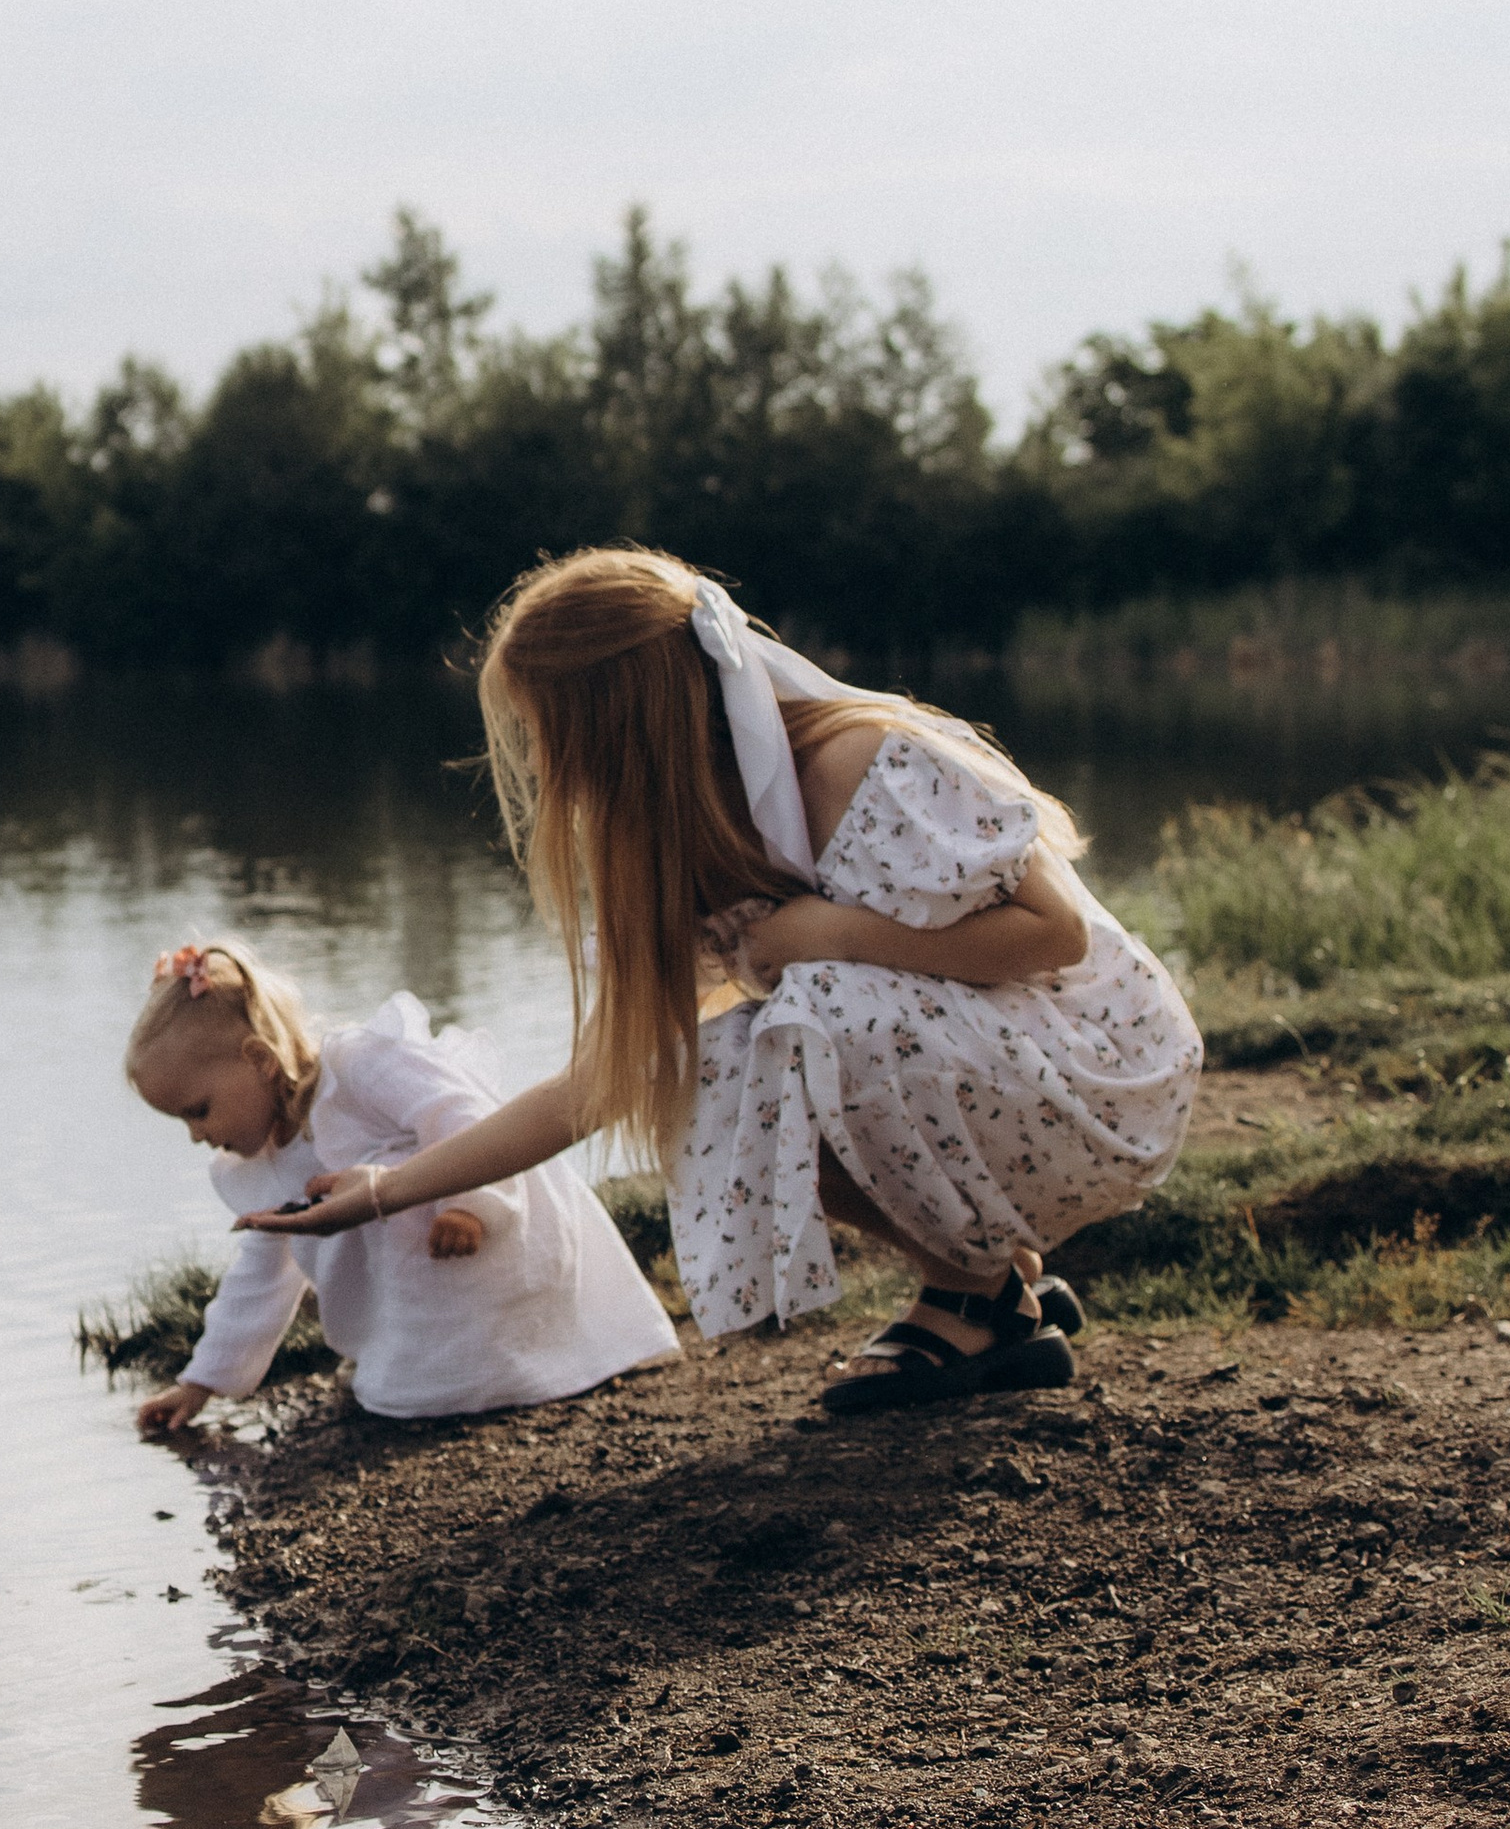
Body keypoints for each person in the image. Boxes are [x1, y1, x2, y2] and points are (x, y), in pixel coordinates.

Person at [244, 551, 1200, 1417]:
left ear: (619, 720)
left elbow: (1055, 934)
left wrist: (826, 931)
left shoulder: (861, 760)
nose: (548, 768)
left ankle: (976, 1300)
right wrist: (385, 1190)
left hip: (1102, 1073)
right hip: (998, 1081)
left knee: (800, 1016)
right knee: (706, 1068)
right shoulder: (692, 846)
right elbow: (603, 1082)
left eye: (551, 736)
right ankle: (985, 1281)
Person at [124, 937, 679, 1434]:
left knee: (410, 1200)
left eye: (199, 1110)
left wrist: (468, 1204)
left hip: (486, 1235)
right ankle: (439, 1383)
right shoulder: (269, 1162)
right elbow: (260, 1277)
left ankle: (529, 1365)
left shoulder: (361, 1065)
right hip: (422, 1300)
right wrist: (200, 1383)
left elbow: (465, 1118)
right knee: (411, 1397)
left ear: (259, 1061)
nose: (197, 1136)